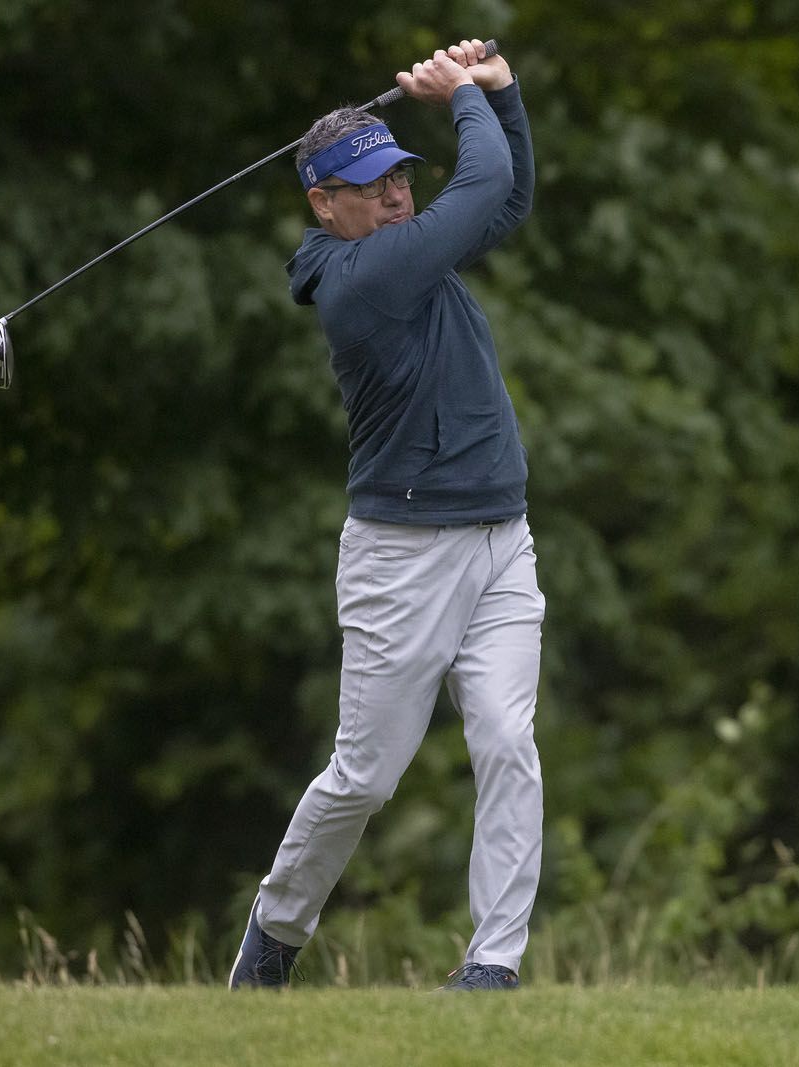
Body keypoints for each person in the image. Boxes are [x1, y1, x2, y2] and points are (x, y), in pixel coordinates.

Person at [229, 38, 542, 993]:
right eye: (372, 185)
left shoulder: (405, 248)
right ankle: (274, 934)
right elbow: (482, 180)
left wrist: (503, 93)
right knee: (364, 776)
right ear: (325, 205)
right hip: (402, 558)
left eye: (400, 177)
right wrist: (461, 98)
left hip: (502, 540)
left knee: (506, 741)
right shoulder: (361, 281)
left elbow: (510, 196)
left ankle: (492, 965)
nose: (398, 195)